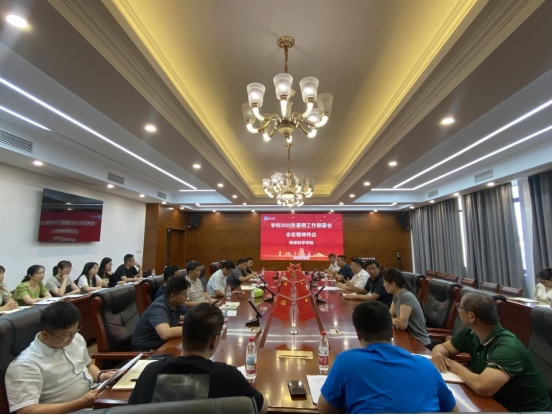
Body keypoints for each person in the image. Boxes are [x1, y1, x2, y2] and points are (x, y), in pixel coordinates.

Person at [318, 301, 458, 414]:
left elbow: (325, 410)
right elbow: (453, 410)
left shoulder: (346, 362)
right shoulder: (427, 365)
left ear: (358, 333)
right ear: (392, 331)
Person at [129, 303, 268, 413]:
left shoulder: (150, 372)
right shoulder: (227, 375)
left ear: (183, 334)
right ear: (214, 341)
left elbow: (132, 408)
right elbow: (262, 408)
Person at [431, 292, 552, 413]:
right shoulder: (471, 332)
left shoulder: (507, 347)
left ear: (471, 316)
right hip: (497, 402)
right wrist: (438, 356)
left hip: (527, 410)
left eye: (459, 307)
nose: (458, 310)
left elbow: (482, 387)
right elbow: (442, 348)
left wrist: (455, 367)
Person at [5, 302, 116, 414]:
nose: (73, 337)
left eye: (75, 331)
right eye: (65, 335)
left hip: (92, 398)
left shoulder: (75, 338)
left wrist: (100, 376)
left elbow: (87, 365)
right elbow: (26, 411)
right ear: (45, 335)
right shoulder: (25, 365)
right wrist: (80, 403)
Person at [132, 276, 190, 352]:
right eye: (184, 293)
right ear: (173, 296)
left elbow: (173, 317)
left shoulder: (173, 303)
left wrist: (191, 319)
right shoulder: (158, 308)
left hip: (163, 346)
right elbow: (165, 334)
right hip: (145, 352)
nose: (187, 296)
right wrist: (192, 328)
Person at [382, 268, 432, 349]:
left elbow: (402, 325)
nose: (383, 285)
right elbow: (389, 314)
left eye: (384, 282)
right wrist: (394, 320)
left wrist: (393, 320)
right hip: (407, 339)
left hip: (420, 343)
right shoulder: (396, 295)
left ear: (393, 283)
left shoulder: (406, 296)